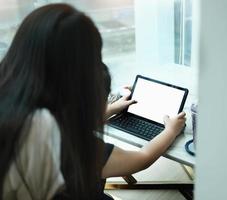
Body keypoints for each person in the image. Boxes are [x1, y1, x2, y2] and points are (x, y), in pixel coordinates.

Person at [0, 4, 186, 200]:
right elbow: (142, 158)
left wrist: (111, 109)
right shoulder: (58, 141)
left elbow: (70, 120)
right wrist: (171, 131)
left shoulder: (14, 99)